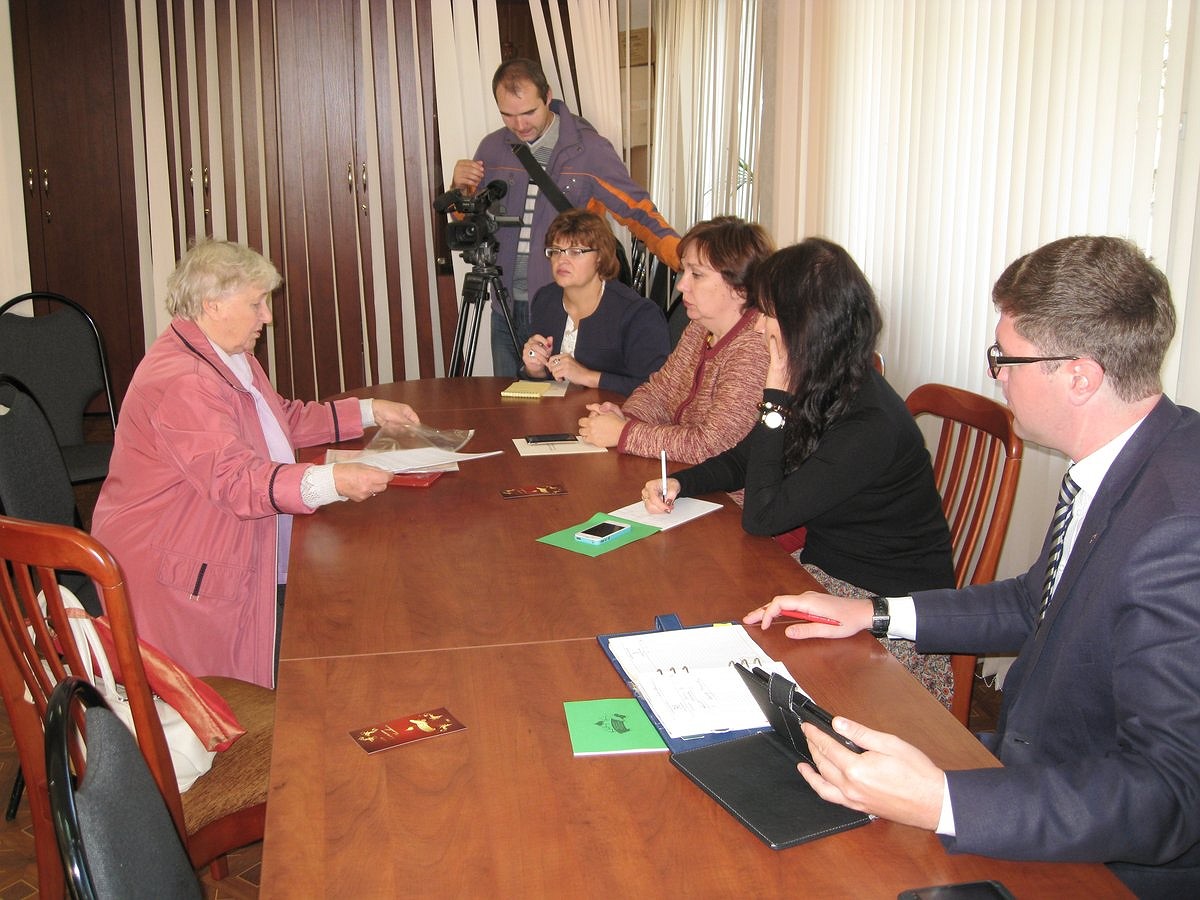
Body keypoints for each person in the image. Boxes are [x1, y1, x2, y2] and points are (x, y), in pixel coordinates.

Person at [745, 236, 1200, 898]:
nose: (997, 375)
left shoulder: (1177, 529)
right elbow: (1031, 604)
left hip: (1106, 858)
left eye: (1005, 358)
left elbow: (1170, 792)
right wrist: (873, 612)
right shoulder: (1128, 461)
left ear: (1080, 377)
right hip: (1032, 772)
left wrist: (946, 802)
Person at [92, 240, 420, 689]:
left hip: (207, 532)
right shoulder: (185, 381)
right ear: (213, 305)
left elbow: (278, 420)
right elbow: (235, 481)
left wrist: (367, 411)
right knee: (307, 661)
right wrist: (330, 481)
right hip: (177, 564)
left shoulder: (227, 355)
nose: (267, 316)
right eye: (256, 304)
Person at [641, 238, 954, 596]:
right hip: (822, 570)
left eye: (767, 314)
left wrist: (774, 400)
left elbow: (762, 518)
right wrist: (680, 484)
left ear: (805, 324)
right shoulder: (825, 382)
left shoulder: (869, 424)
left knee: (700, 588)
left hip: (880, 600)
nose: (757, 327)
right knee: (685, 575)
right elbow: (744, 459)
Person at [451, 57, 680, 377]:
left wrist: (686, 260)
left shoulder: (589, 150)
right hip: (504, 305)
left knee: (564, 400)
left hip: (563, 307)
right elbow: (468, 224)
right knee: (508, 399)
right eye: (508, 115)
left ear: (547, 96)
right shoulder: (491, 148)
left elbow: (638, 213)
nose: (519, 125)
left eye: (529, 112)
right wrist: (459, 190)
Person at [577, 216, 773, 464]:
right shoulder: (699, 327)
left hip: (722, 485)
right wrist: (626, 417)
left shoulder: (755, 348)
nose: (682, 285)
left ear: (740, 288)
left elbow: (713, 446)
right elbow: (659, 392)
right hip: (680, 471)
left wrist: (624, 433)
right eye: (684, 271)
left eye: (697, 274)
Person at [520, 209, 669, 396]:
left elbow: (657, 390)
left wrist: (588, 376)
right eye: (556, 251)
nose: (562, 260)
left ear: (600, 256)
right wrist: (535, 369)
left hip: (616, 412)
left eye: (575, 251)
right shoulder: (545, 300)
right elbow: (544, 383)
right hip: (556, 411)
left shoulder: (638, 313)